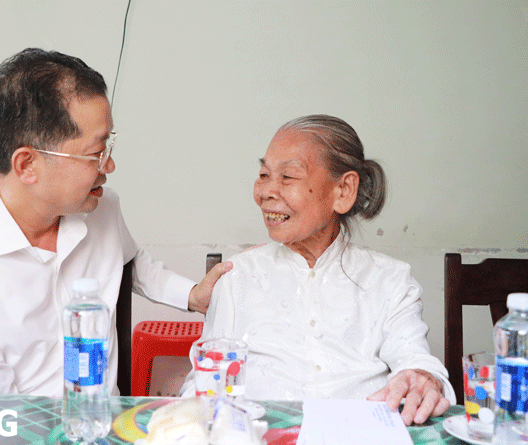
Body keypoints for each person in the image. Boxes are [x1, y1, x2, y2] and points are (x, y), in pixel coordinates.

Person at [0, 48, 231, 397]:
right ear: (27, 164)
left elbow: (132, 263)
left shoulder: (101, 209)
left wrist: (194, 295)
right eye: (95, 153)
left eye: (109, 147)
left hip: (101, 425)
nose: (109, 166)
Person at [181, 115, 455, 425]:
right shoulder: (237, 276)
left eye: (288, 177)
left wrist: (421, 378)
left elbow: (415, 360)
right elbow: (202, 385)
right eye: (263, 174)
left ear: (343, 191)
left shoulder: (389, 280)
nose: (266, 192)